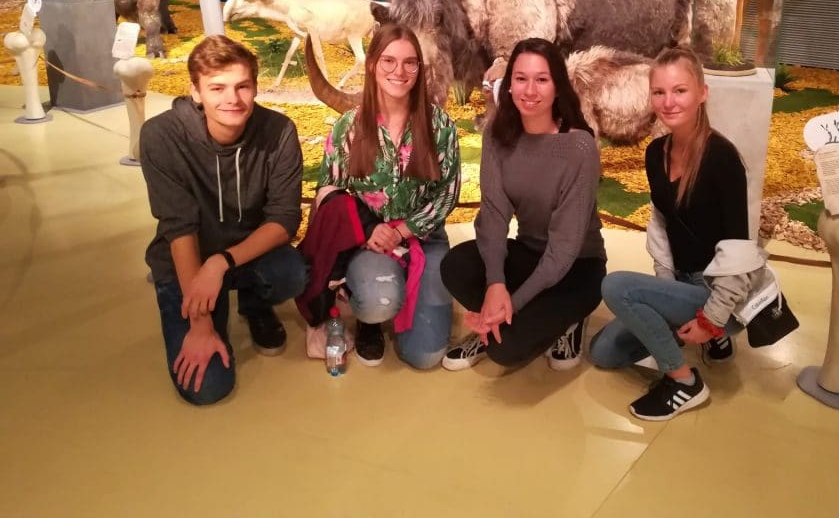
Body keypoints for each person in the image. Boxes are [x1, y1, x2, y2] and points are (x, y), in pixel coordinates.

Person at [589, 45, 771, 421]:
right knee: (604, 353)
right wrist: (664, 286)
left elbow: (740, 250)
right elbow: (662, 223)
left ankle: (685, 380)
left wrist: (711, 319)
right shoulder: (655, 153)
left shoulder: (722, 158)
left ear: (702, 93)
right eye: (659, 92)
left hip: (719, 291)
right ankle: (702, 336)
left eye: (680, 90)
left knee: (616, 286)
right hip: (681, 284)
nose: (668, 102)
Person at [140, 35, 307, 405]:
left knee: (292, 272)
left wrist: (221, 262)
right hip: (187, 259)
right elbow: (179, 228)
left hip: (242, 255)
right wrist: (200, 325)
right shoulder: (161, 135)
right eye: (217, 88)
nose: (232, 98)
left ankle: (253, 304)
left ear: (255, 88)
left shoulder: (279, 131)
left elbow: (284, 219)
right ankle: (207, 314)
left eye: (242, 86)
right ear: (195, 91)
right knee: (207, 388)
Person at [440, 38, 606, 371]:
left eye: (542, 79)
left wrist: (510, 304)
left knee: (506, 351)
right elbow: (493, 215)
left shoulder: (578, 147)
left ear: (557, 87)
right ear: (509, 85)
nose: (530, 90)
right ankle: (496, 324)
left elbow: (562, 251)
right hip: (528, 253)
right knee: (455, 265)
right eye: (521, 78)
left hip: (576, 267)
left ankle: (559, 321)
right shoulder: (497, 136)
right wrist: (495, 284)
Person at [316, 24, 460, 369]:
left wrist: (403, 231)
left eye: (410, 62)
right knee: (377, 301)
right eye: (389, 61)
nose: (400, 71)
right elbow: (329, 191)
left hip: (425, 238)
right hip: (368, 241)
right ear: (371, 65)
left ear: (419, 69)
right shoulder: (348, 126)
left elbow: (448, 192)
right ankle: (368, 317)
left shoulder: (440, 125)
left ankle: (418, 294)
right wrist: (368, 228)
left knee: (425, 356)